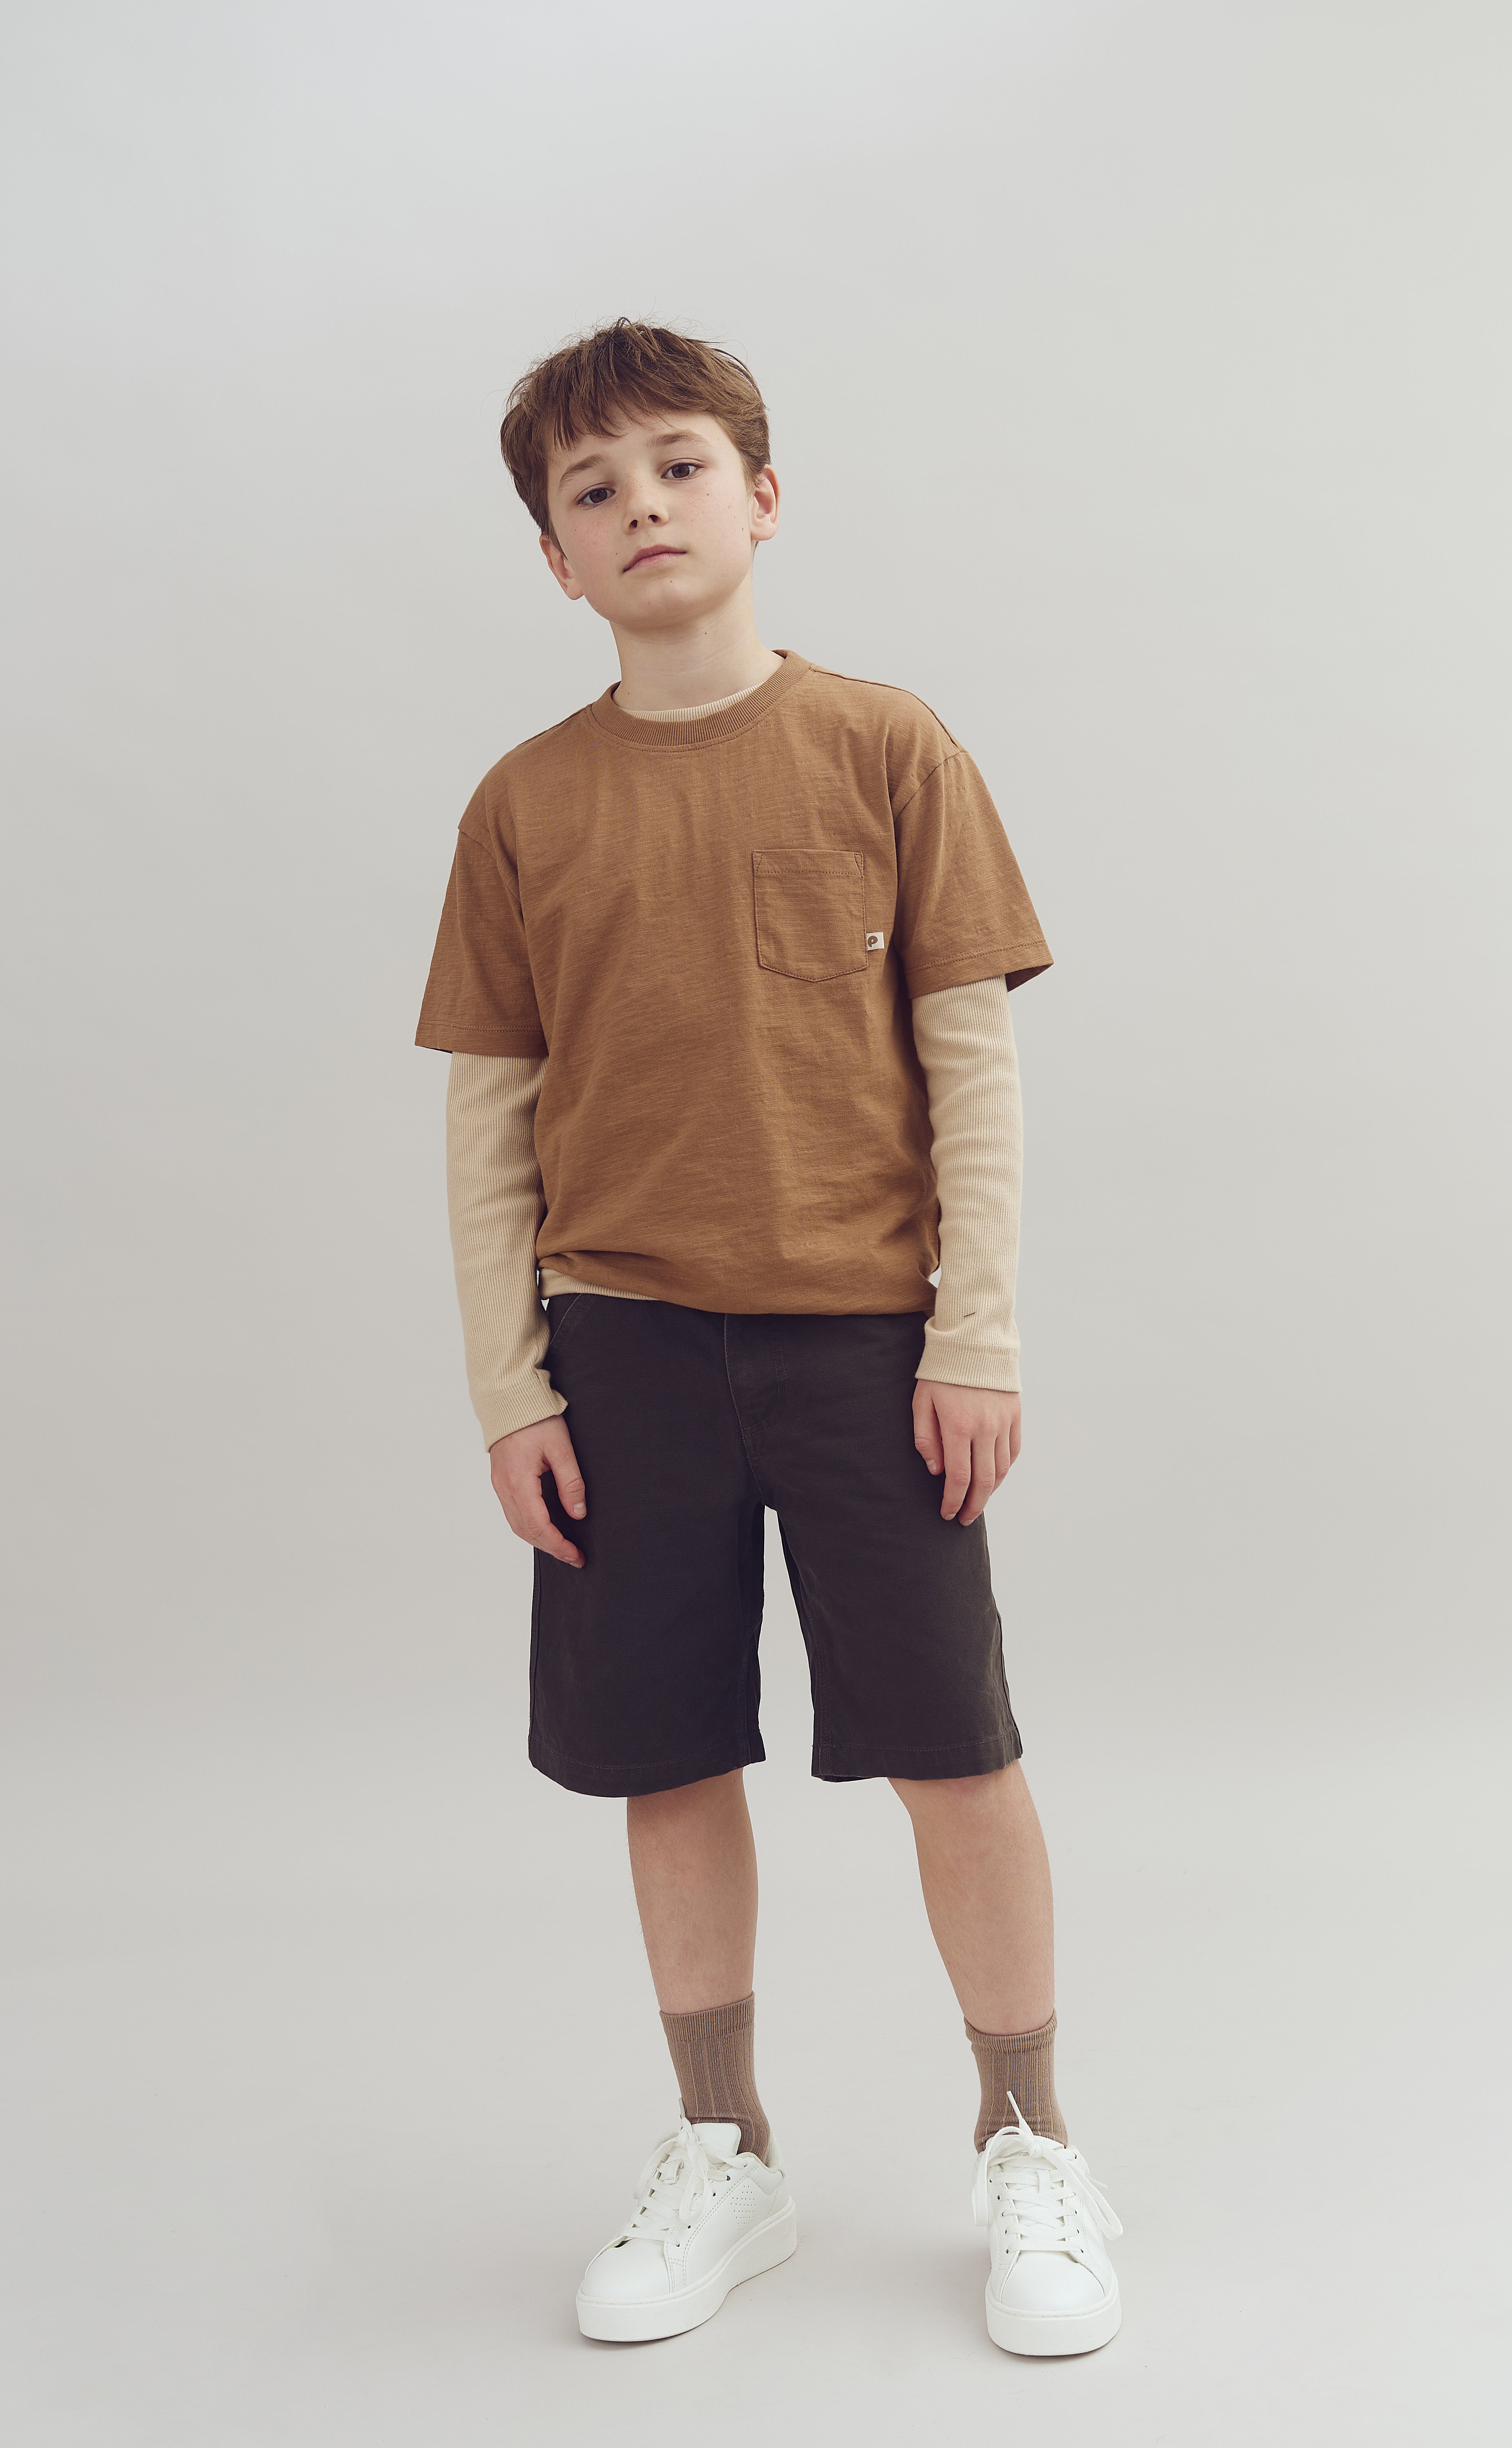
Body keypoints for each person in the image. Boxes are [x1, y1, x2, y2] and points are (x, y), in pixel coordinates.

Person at [415, 319, 1122, 2357]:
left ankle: (1027, 2138)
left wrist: (968, 1336)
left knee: (952, 1750)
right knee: (666, 1757)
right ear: (555, 557)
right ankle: (723, 2151)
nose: (642, 507)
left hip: (867, 1347)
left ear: (763, 494)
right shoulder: (525, 803)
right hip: (620, 1353)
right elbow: (487, 1116)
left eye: (678, 466)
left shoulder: (888, 749)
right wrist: (509, 1384)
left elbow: (966, 1063)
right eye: (592, 490)